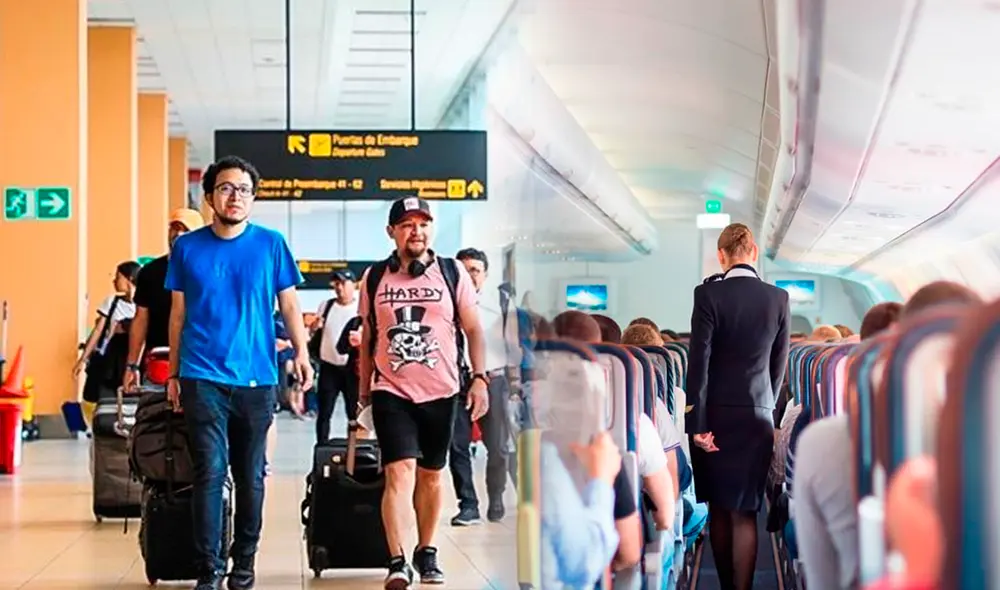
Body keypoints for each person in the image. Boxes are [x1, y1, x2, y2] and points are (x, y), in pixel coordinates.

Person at [165, 155, 313, 590]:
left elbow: (288, 305)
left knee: (251, 475)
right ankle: (208, 568)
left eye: (244, 189)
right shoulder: (187, 248)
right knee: (209, 470)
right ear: (209, 196)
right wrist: (174, 374)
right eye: (226, 188)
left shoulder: (271, 244)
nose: (235, 196)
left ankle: (243, 563)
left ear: (253, 198)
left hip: (257, 378)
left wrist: (301, 353)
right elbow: (178, 316)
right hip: (201, 373)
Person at [357, 196, 489, 589]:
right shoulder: (376, 276)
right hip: (390, 389)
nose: (416, 231)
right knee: (398, 473)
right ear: (392, 232)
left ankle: (426, 549)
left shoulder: (452, 273)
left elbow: (474, 329)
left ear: (431, 229)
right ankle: (397, 560)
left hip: (442, 391)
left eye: (423, 224)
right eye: (407, 224)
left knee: (431, 476)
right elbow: (367, 337)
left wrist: (480, 377)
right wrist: (363, 394)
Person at [686, 222, 790, 590]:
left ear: (721, 256)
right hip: (756, 417)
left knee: (718, 507)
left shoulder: (707, 296)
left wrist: (696, 423)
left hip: (714, 415)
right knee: (746, 512)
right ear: (754, 252)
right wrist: (766, 407)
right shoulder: (778, 298)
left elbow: (698, 363)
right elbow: (779, 365)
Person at [448, 248, 518, 525]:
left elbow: (513, 345)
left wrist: (514, 383)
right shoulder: (446, 303)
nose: (468, 275)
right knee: (458, 447)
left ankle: (496, 496)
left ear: (485, 275)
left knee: (498, 446)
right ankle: (468, 504)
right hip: (456, 381)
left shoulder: (501, 304)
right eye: (463, 270)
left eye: (474, 270)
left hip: (493, 381)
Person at [123, 208, 205, 392]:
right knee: (157, 415)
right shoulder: (150, 272)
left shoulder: (209, 270)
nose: (179, 234)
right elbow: (140, 319)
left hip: (200, 364)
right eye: (175, 227)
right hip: (159, 364)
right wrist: (132, 366)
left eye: (186, 230)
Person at [74, 260, 142, 425]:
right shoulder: (111, 302)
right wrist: (83, 359)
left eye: (117, 277)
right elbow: (97, 332)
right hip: (111, 359)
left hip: (133, 357)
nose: (114, 281)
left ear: (129, 279)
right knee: (101, 394)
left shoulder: (143, 304)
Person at [310, 268, 360, 442]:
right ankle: (321, 449)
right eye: (336, 284)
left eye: (343, 283)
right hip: (329, 367)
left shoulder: (360, 308)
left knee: (354, 415)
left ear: (353, 285)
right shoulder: (326, 305)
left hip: (352, 370)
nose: (339, 288)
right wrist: (315, 328)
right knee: (324, 413)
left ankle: (354, 452)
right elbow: (315, 333)